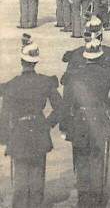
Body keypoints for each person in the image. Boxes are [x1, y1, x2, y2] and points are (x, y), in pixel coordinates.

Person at [60, 39, 110, 207]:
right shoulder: (107, 74)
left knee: (81, 161)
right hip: (100, 120)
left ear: (85, 56)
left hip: (79, 121)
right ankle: (97, 201)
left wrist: (64, 126)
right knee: (97, 161)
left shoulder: (74, 75)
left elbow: (66, 102)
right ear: (100, 56)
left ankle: (83, 200)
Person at [0, 36, 62, 208]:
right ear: (36, 62)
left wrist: (4, 138)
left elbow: (4, 114)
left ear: (22, 61)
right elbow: (60, 107)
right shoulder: (45, 82)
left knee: (20, 178)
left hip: (19, 134)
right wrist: (48, 124)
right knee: (37, 177)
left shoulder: (13, 84)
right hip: (39, 131)